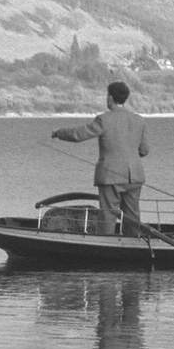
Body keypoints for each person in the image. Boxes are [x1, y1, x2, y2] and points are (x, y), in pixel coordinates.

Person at [51, 80, 149, 237]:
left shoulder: (104, 119)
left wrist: (58, 133)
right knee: (132, 216)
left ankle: (106, 245)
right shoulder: (139, 120)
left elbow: (79, 135)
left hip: (110, 176)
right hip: (135, 176)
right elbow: (144, 151)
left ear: (110, 97)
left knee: (108, 216)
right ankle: (134, 244)